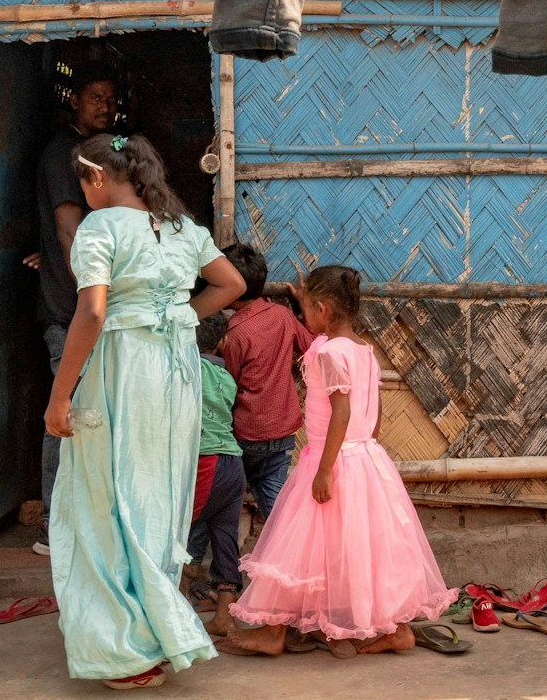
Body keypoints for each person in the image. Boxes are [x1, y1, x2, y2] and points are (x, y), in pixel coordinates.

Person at [43, 133, 246, 689]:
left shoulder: (99, 228)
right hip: (175, 373)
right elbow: (232, 284)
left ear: (98, 179)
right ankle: (157, 633)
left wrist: (60, 396)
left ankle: (128, 648)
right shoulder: (184, 228)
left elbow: (91, 312)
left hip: (124, 370)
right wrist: (177, 315)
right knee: (158, 496)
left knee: (107, 498)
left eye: (84, 181)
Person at [226, 265, 454, 657]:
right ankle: (396, 629)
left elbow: (341, 414)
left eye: (307, 311)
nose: (304, 319)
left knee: (295, 547)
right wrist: (361, 452)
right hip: (366, 458)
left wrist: (326, 469)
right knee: (372, 549)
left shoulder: (327, 352)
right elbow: (373, 414)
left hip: (331, 459)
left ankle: (273, 633)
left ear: (322, 308)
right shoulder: (363, 350)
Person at [25, 65, 120, 557]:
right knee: (63, 415)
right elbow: (68, 228)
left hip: (80, 306)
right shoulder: (67, 154)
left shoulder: (94, 151)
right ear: (74, 101)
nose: (105, 106)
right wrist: (90, 294)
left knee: (81, 412)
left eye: (110, 98)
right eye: (95, 96)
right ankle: (50, 528)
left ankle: (76, 519)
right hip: (71, 310)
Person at [217, 242, 314, 527]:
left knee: (225, 499)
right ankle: (292, 556)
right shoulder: (283, 316)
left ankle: (212, 560)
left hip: (247, 435)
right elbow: (311, 348)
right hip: (283, 431)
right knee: (277, 508)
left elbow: (228, 386)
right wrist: (303, 305)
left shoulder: (234, 334)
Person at [190, 312, 246, 636]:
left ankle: (176, 612)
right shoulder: (226, 378)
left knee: (177, 536)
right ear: (222, 342)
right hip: (231, 462)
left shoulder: (186, 371)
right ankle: (224, 616)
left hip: (204, 462)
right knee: (225, 540)